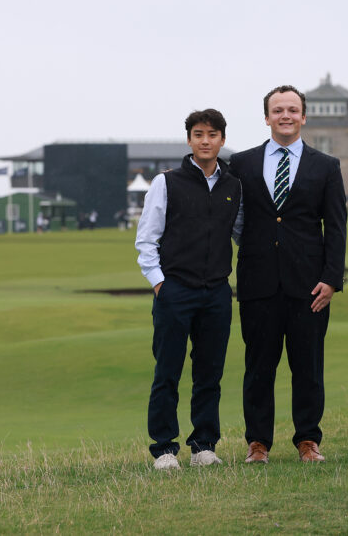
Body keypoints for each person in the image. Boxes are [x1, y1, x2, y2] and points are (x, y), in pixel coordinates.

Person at [229, 85, 348, 464]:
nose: (285, 116)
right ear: (266, 117)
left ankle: (308, 441)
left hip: (309, 285)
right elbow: (232, 219)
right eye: (278, 110)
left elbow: (337, 226)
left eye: (292, 110)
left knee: (308, 368)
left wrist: (331, 279)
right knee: (258, 367)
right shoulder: (243, 164)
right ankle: (258, 443)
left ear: (303, 116)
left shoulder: (326, 166)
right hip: (257, 283)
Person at [134, 109, 241, 470]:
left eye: (212, 134)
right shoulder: (167, 182)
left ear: (222, 139)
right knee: (168, 371)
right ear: (190, 140)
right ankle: (164, 449)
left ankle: (203, 447)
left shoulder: (233, 185)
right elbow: (147, 238)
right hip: (175, 290)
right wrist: (159, 282)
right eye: (198, 134)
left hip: (216, 293)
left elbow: (241, 233)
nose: (205, 140)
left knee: (209, 373)